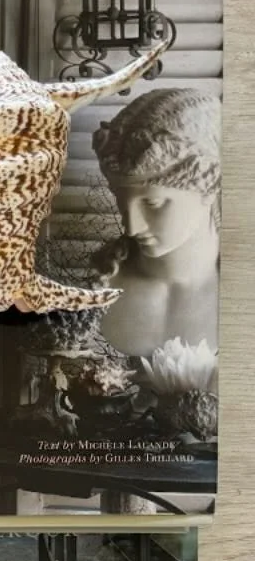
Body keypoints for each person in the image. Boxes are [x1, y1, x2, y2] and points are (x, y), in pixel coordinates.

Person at [90, 87, 220, 362]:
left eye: (153, 204)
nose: (131, 228)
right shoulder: (98, 289)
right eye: (120, 199)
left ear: (210, 187)